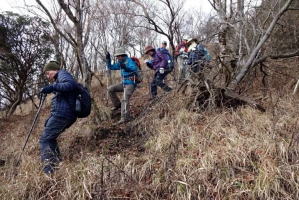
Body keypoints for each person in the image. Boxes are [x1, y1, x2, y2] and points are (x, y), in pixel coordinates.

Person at [40, 61, 78, 174]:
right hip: (64, 114)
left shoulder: (62, 74)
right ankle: (56, 164)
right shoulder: (59, 78)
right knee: (50, 138)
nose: (48, 76)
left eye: (48, 73)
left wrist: (52, 87)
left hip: (63, 114)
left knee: (45, 139)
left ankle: (49, 171)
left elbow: (71, 85)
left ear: (54, 69)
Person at [106, 47, 139, 123]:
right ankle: (118, 105)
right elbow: (110, 67)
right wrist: (108, 59)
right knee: (110, 89)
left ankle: (124, 118)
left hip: (131, 83)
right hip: (123, 83)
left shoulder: (129, 61)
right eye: (116, 57)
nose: (117, 58)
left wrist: (126, 67)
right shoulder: (120, 63)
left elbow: (134, 69)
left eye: (118, 56)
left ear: (121, 55)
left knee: (124, 98)